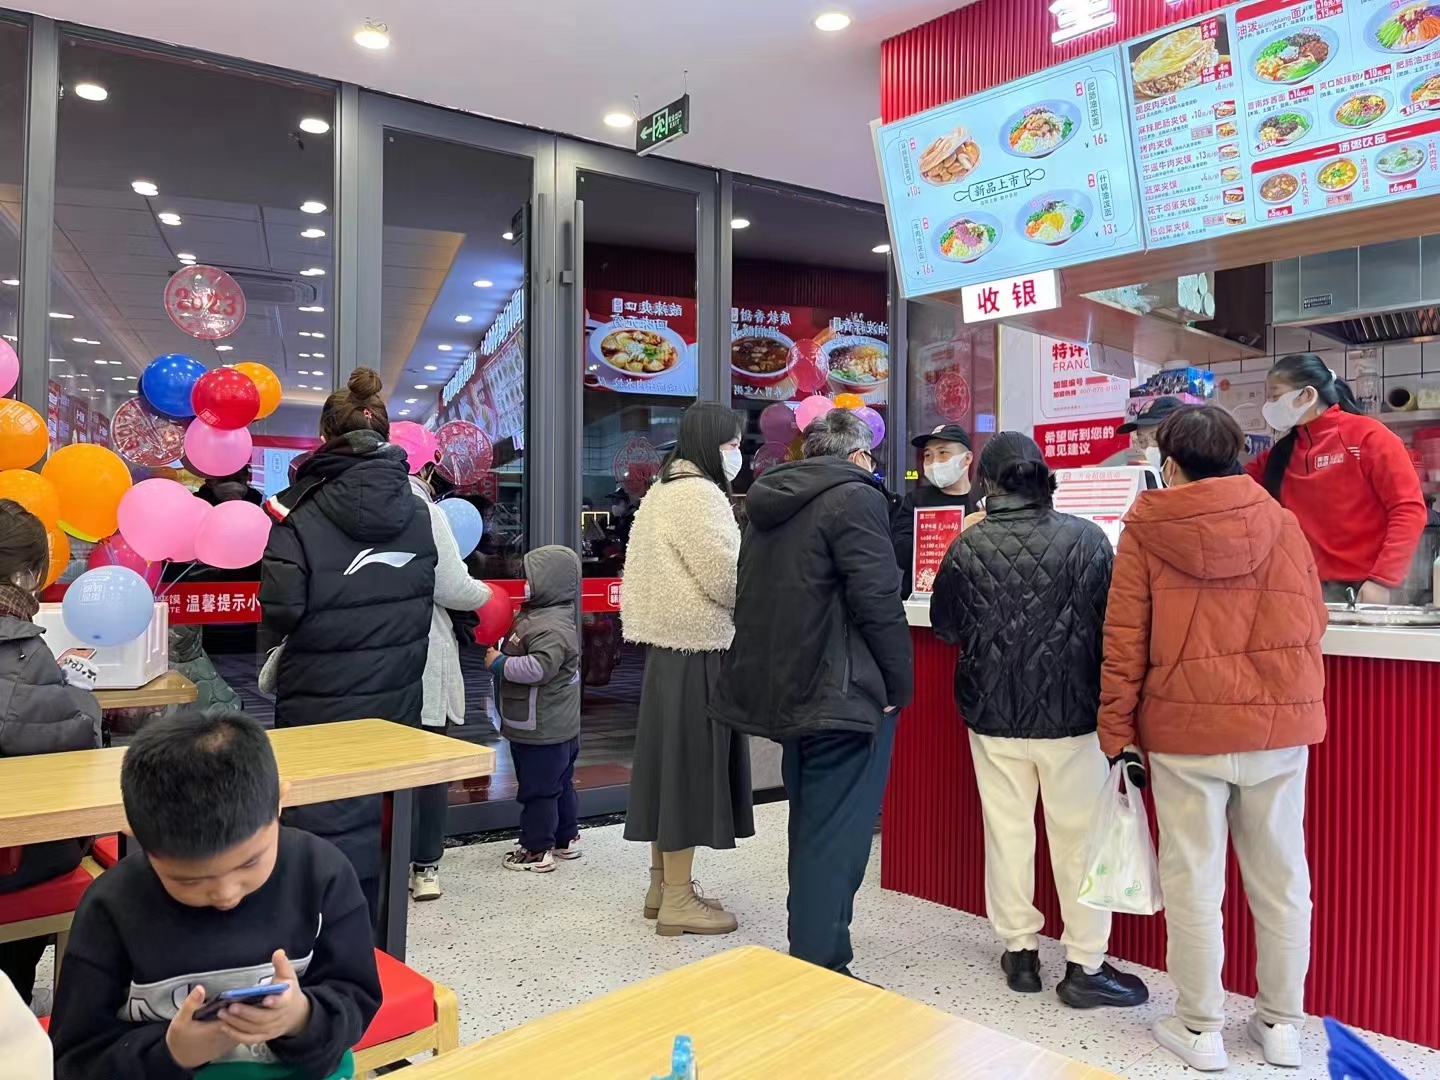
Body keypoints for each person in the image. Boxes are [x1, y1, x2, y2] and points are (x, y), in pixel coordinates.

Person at [1100, 406, 1327, 1071]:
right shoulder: (1282, 522)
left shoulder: (1145, 529)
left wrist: (1116, 728)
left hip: (1185, 731)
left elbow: (1124, 641)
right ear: (1235, 457)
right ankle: (1281, 1025)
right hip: (1275, 728)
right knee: (1283, 880)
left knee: (1194, 881)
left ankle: (1201, 1030)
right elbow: (1312, 621)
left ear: (1170, 464)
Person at [930, 432, 1148, 1009]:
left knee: (1007, 833)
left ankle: (1020, 953)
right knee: (1079, 841)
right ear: (1043, 477)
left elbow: (945, 626)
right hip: (1072, 715)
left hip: (993, 714)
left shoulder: (966, 545)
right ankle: (1085, 965)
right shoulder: (1088, 538)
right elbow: (1114, 625)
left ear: (987, 481)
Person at [49, 709, 381, 1080]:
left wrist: (300, 1017)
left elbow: (357, 996)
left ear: (279, 802)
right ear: (134, 834)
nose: (226, 894)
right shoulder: (112, 906)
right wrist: (172, 1053)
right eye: (189, 881)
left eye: (249, 862)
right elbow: (74, 1060)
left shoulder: (321, 874)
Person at [710, 408, 911, 975]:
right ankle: (822, 967)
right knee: (836, 836)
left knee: (813, 826)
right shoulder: (856, 497)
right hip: (843, 692)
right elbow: (877, 598)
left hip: (791, 685)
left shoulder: (769, 501)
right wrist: (899, 682)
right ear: (859, 456)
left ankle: (811, 952)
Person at [260, 367, 438, 924]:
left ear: (323, 436)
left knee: (321, 813)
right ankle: (378, 938)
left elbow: (283, 609)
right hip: (398, 692)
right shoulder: (419, 510)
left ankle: (323, 930)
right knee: (385, 809)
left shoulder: (297, 512)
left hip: (319, 694)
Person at [621, 401, 752, 937]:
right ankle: (677, 898)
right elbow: (727, 579)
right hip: (696, 649)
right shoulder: (699, 494)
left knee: (668, 773)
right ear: (710, 444)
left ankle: (662, 887)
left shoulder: (663, 489)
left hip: (666, 649)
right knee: (689, 775)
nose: (737, 455)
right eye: (732, 444)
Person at [0, 499, 102, 1005]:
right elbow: (71, 742)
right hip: (13, 863)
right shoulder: (19, 649)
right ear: (26, 575)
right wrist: (82, 698)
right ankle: (15, 999)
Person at [1247, 353, 1426, 603]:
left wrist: (1382, 580)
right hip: (1300, 589)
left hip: (1365, 589)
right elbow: (1233, 488)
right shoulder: (1279, 455)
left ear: (1307, 395)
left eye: (1275, 396)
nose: (1270, 405)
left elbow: (1408, 510)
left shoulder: (1368, 436)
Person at [408, 462, 491, 901]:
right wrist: (486, 594)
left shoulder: (321, 498)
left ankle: (368, 864)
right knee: (428, 769)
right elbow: (453, 585)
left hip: (353, 666)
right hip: (420, 657)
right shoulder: (421, 507)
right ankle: (424, 865)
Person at [485, 546, 583, 873]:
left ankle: (536, 850)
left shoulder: (549, 627)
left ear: (548, 583)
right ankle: (565, 838)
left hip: (542, 726)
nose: (524, 583)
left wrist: (499, 663)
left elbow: (539, 668)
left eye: (530, 578)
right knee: (559, 784)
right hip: (552, 725)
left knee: (538, 791)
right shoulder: (542, 616)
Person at [891, 424, 981, 596]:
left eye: (943, 453)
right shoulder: (915, 501)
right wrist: (957, 531)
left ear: (967, 458)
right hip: (922, 601)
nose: (934, 462)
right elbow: (901, 553)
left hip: (971, 598)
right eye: (928, 455)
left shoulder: (981, 503)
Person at [1100, 395, 1185, 467]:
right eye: (1142, 441)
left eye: (1156, 438)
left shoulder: (1191, 475)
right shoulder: (1148, 476)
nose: (1150, 448)